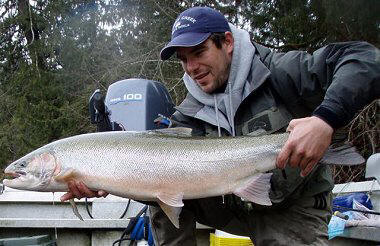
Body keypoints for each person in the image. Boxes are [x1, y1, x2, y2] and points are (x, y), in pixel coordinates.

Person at [61, 6, 379, 246]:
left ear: (226, 42)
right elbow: (157, 178)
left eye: (199, 52)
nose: (192, 68)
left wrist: (325, 120)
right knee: (160, 197)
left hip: (290, 205)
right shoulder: (186, 115)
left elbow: (365, 59)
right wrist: (107, 180)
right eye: (184, 60)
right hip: (227, 206)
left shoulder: (281, 71)